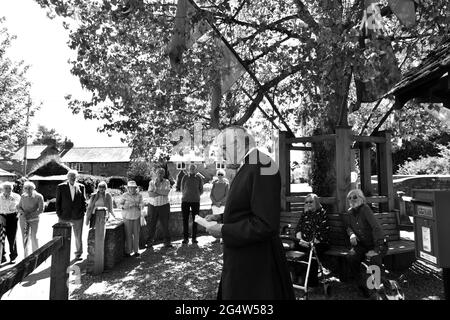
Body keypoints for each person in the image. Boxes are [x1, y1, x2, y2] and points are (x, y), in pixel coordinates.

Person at [206, 126, 295, 300]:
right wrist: (221, 218)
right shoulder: (250, 165)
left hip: (256, 269)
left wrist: (224, 231)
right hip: (245, 263)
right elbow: (249, 209)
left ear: (240, 144)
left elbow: (266, 224)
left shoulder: (261, 165)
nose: (222, 154)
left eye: (224, 148)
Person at [344, 189, 388, 298]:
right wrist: (351, 234)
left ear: (362, 199)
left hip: (376, 244)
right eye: (349, 198)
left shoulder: (365, 209)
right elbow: (348, 227)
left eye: (355, 197)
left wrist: (376, 249)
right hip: (362, 245)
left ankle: (376, 287)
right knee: (351, 257)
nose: (352, 199)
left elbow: (376, 228)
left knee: (374, 260)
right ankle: (362, 286)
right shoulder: (349, 212)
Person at [291, 193, 329, 286]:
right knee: (294, 250)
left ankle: (312, 283)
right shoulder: (305, 213)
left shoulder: (322, 213)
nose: (308, 204)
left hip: (320, 242)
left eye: (311, 202)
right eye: (306, 202)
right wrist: (300, 241)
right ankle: (297, 275)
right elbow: (298, 228)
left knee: (312, 253)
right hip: (305, 242)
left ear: (316, 202)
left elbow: (322, 231)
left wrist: (309, 243)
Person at [56, 170, 87, 261]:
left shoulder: (81, 187)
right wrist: (59, 214)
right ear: (67, 177)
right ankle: (62, 254)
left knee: (78, 236)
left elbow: (83, 201)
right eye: (71, 176)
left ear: (76, 177)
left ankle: (78, 254)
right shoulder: (60, 187)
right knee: (62, 236)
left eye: (74, 176)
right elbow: (58, 202)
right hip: (64, 216)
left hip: (78, 216)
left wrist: (83, 212)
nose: (72, 178)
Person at [146, 168, 172, 249]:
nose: (160, 174)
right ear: (156, 174)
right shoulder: (151, 182)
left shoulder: (167, 182)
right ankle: (149, 242)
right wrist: (161, 192)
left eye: (161, 173)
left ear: (164, 174)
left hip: (164, 205)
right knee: (151, 224)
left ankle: (167, 242)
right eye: (158, 173)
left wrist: (156, 190)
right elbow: (150, 194)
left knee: (165, 225)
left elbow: (166, 193)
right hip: (152, 206)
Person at [17, 181, 44, 257]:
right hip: (23, 219)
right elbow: (19, 207)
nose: (28, 190)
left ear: (33, 188)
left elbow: (41, 209)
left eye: (30, 188)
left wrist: (30, 215)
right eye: (26, 188)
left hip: (34, 219)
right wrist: (22, 212)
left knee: (33, 236)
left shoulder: (39, 196)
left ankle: (36, 254)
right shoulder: (22, 196)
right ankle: (26, 256)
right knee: (24, 237)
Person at [119, 181, 144, 257]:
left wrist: (137, 204)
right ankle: (128, 251)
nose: (132, 189)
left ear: (136, 188)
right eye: (130, 188)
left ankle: (136, 251)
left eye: (134, 188)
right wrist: (125, 206)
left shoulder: (139, 195)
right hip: (127, 216)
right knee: (128, 234)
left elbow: (142, 205)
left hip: (136, 216)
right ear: (128, 188)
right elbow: (120, 205)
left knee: (136, 234)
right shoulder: (124, 195)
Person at [180, 164, 203, 245]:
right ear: (188, 169)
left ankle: (194, 238)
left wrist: (195, 195)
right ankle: (185, 238)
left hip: (196, 201)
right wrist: (187, 195)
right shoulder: (185, 177)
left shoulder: (198, 178)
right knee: (185, 220)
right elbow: (182, 188)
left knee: (195, 220)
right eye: (191, 168)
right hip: (185, 201)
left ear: (195, 169)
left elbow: (201, 190)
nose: (192, 169)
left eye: (193, 168)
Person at [205, 169, 229, 243]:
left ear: (224, 175)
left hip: (222, 206)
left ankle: (224, 238)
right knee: (216, 222)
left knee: (222, 222)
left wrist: (220, 203)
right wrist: (215, 203)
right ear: (217, 175)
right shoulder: (215, 184)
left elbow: (227, 195)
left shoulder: (226, 184)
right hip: (215, 206)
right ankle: (217, 238)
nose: (220, 176)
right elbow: (211, 195)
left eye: (221, 174)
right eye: (219, 174)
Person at [0, 181, 20, 264]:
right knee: (1, 237)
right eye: (6, 188)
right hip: (1, 217)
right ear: (2, 189)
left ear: (12, 188)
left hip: (12, 218)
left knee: (12, 238)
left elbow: (20, 208)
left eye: (9, 188)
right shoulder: (0, 197)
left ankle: (13, 256)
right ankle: (2, 256)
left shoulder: (16, 196)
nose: (8, 189)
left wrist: (17, 217)